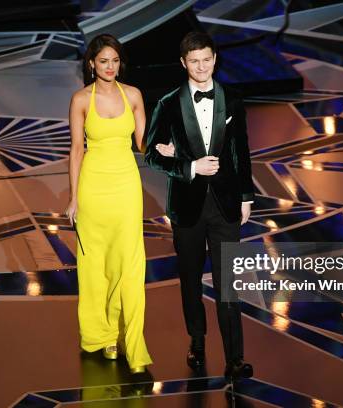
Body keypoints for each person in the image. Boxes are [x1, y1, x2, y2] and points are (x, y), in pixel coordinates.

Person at [145, 31, 254, 380]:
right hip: (187, 207)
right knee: (190, 281)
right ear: (183, 63)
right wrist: (190, 166)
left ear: (215, 59)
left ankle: (235, 358)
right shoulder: (168, 103)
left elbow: (241, 151)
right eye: (194, 61)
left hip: (226, 205)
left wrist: (247, 196)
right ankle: (197, 341)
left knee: (228, 283)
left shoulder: (232, 99)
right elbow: (151, 155)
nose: (202, 66)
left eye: (207, 59)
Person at [66, 33, 152, 374]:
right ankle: (103, 337)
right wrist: (73, 197)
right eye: (103, 61)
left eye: (115, 61)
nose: (110, 67)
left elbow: (144, 143)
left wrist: (167, 147)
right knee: (95, 268)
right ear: (91, 64)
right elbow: (76, 150)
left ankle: (133, 344)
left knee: (129, 266)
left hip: (127, 188)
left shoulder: (133, 95)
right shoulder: (80, 100)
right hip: (93, 189)